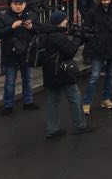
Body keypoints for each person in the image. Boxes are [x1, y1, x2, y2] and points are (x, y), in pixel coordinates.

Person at [41, 10, 93, 138]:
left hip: (49, 72)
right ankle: (80, 125)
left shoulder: (45, 33)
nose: (66, 22)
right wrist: (78, 38)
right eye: (64, 20)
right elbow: (69, 51)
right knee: (74, 97)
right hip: (62, 72)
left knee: (52, 102)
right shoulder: (58, 36)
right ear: (59, 22)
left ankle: (52, 129)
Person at [0, 0, 41, 116]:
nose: (18, 6)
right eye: (16, 4)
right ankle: (8, 105)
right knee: (10, 81)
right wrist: (12, 27)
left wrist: (32, 27)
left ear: (25, 4)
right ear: (11, 5)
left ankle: (28, 102)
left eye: (21, 4)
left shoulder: (32, 16)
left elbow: (40, 30)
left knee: (27, 79)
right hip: (10, 54)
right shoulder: (4, 18)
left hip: (26, 53)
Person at [82, 0, 112, 114]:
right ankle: (86, 102)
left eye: (108, 0)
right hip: (98, 49)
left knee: (110, 75)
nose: (106, 2)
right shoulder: (93, 12)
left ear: (111, 0)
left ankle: (106, 99)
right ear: (100, 0)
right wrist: (93, 41)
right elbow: (86, 29)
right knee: (94, 76)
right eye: (104, 0)